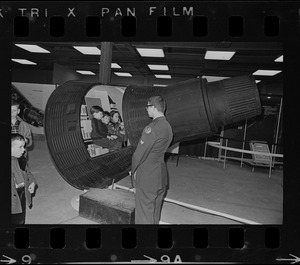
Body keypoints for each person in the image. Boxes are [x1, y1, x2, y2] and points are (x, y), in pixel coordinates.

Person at [131, 96, 173, 224]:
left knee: (144, 212)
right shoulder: (168, 127)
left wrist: (133, 172)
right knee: (154, 212)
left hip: (147, 175)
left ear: (154, 108)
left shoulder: (152, 128)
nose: (146, 109)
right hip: (160, 174)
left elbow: (138, 155)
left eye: (148, 106)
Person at [11, 133, 36, 225]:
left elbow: (28, 173)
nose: (24, 150)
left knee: (20, 219)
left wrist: (32, 182)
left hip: (21, 194)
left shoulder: (21, 159)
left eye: (24, 146)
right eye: (20, 147)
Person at [11, 100, 33, 171]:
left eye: (14, 110)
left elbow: (30, 142)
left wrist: (25, 140)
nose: (11, 113)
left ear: (18, 111)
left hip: (20, 155)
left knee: (21, 173)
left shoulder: (24, 125)